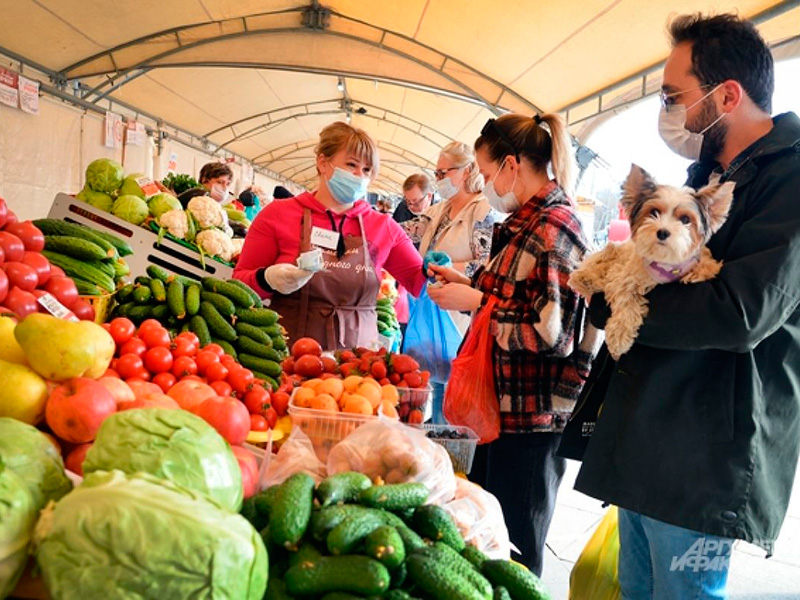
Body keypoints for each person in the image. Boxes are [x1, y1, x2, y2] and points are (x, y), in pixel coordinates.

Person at [575, 13, 800, 600]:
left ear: (727, 95)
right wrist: (612, 296)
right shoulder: (705, 175)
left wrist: (617, 309)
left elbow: (740, 311)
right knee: (636, 588)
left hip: (705, 454)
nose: (667, 109)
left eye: (675, 95)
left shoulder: (791, 179)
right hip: (650, 435)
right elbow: (640, 272)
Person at [427, 113, 590, 575]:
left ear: (512, 166)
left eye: (485, 171)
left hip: (532, 420)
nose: (485, 183)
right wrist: (467, 281)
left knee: (517, 552)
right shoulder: (525, 221)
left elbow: (553, 334)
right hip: (502, 412)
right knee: (488, 537)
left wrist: (478, 300)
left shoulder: (555, 227)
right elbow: (516, 289)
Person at [234, 122, 427, 350]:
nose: (359, 176)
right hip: (286, 356)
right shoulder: (278, 214)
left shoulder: (383, 226)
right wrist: (266, 278)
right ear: (323, 163)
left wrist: (435, 269)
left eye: (367, 170)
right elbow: (239, 284)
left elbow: (419, 284)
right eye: (352, 165)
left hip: (356, 364)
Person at [403, 141, 500, 423]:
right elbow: (401, 233)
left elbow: (489, 265)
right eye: (437, 173)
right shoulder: (438, 212)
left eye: (445, 173)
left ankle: (451, 454)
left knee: (452, 394)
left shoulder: (483, 212)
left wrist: (449, 267)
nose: (439, 180)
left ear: (468, 170)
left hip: (460, 316)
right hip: (431, 308)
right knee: (427, 388)